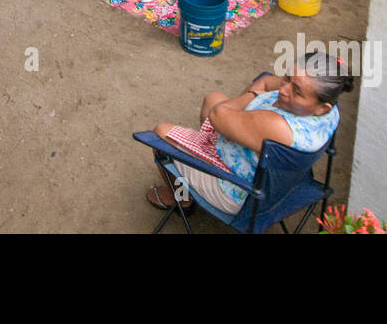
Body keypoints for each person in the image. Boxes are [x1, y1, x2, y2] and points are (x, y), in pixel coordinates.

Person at [144, 53, 350, 213]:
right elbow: (269, 81)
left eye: (297, 91)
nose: (284, 90)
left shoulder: (276, 125)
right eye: (288, 77)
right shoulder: (328, 111)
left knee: (160, 134)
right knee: (213, 97)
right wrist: (261, 95)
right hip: (282, 181)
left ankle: (181, 199)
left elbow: (218, 115)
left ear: (323, 107)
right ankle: (196, 163)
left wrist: (254, 95)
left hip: (239, 190)